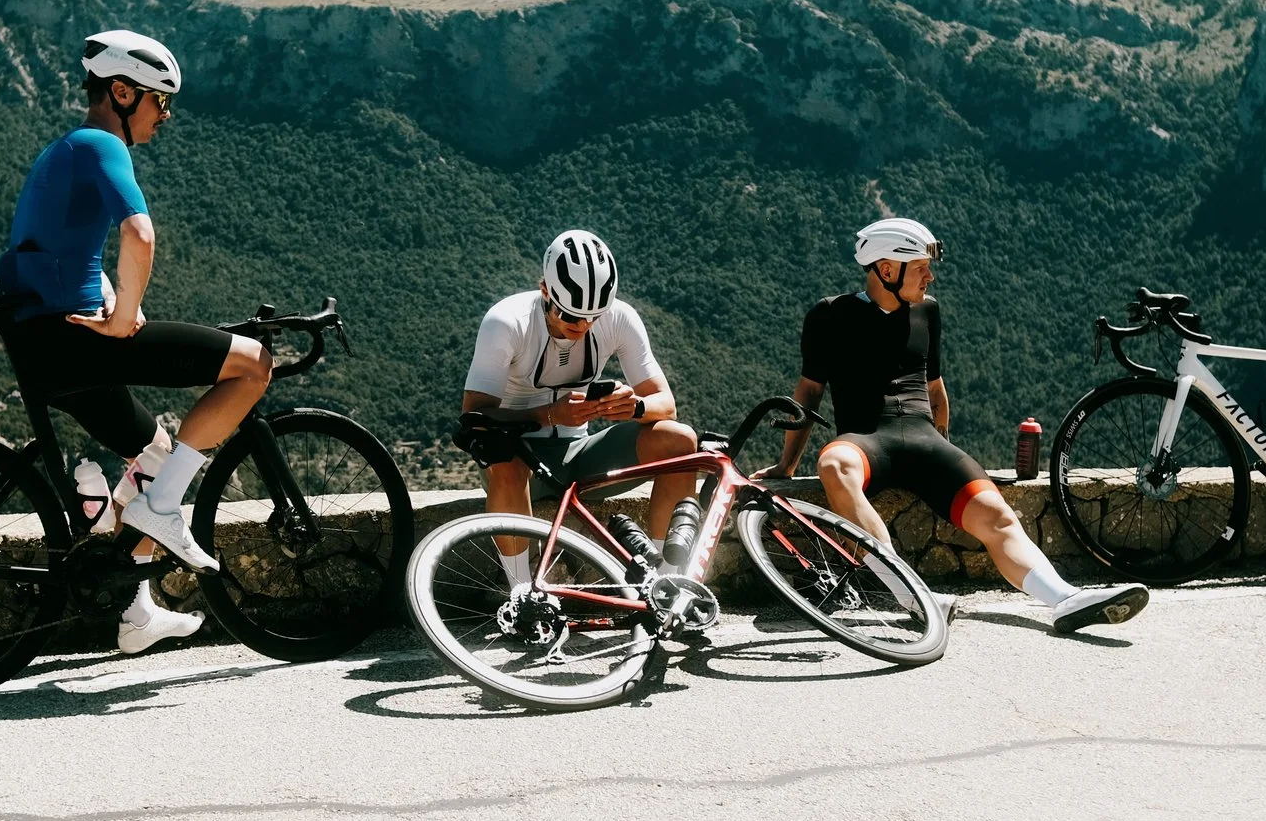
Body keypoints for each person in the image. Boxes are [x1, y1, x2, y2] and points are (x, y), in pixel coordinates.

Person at [0, 29, 271, 653]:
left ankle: (135, 612)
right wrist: (123, 318)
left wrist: (118, 300)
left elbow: (63, 248)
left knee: (155, 453)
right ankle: (159, 510)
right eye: (159, 100)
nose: (164, 115)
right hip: (76, 344)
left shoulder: (67, 149)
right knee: (254, 364)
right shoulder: (101, 144)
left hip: (47, 342)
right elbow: (139, 235)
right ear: (121, 92)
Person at [771, 216, 1148, 635]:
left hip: (926, 441)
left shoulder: (928, 311)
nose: (930, 277)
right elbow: (808, 392)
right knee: (833, 464)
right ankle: (912, 595)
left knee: (997, 516)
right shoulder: (830, 315)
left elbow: (935, 389)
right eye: (920, 268)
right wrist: (788, 464)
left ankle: (1065, 598)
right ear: (887, 269)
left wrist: (947, 453)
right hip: (865, 441)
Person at [461, 230, 700, 589]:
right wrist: (548, 416)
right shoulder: (507, 321)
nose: (583, 326)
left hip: (581, 452)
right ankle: (522, 594)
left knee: (680, 441)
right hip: (519, 459)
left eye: (593, 317)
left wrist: (633, 407)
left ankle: (665, 585)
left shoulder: (620, 318)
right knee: (504, 456)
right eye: (571, 316)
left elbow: (666, 404)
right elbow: (474, 417)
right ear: (545, 291)